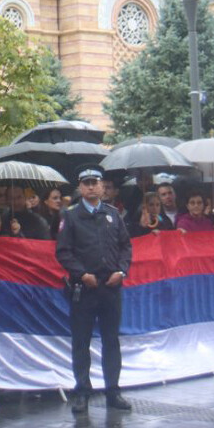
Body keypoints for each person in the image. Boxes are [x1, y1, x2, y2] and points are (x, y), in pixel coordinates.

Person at [56, 164, 133, 414]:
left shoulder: (113, 214)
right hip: (84, 288)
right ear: (80, 187)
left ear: (102, 186)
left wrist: (121, 271)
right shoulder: (70, 216)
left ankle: (113, 391)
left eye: (95, 182)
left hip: (111, 287)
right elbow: (63, 252)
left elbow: (126, 247)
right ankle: (82, 392)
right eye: (86, 183)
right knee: (81, 342)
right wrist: (81, 274)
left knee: (112, 341)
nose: (91, 187)